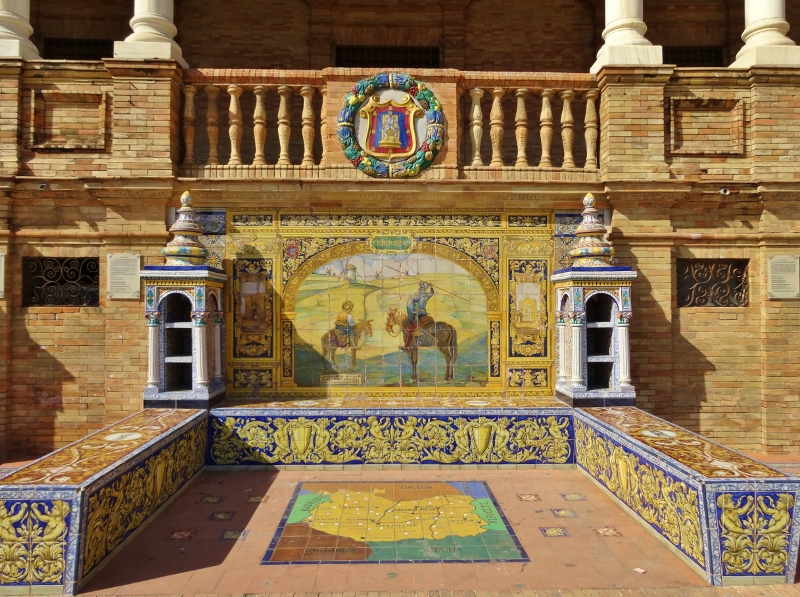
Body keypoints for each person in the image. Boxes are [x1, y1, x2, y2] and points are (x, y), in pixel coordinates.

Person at [405, 282, 434, 347]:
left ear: (423, 289)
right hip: (424, 313)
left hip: (418, 314)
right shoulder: (427, 295)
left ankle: (408, 346)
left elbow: (412, 302)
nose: (419, 288)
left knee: (411, 328)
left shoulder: (418, 295)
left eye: (420, 287)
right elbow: (432, 293)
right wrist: (431, 287)